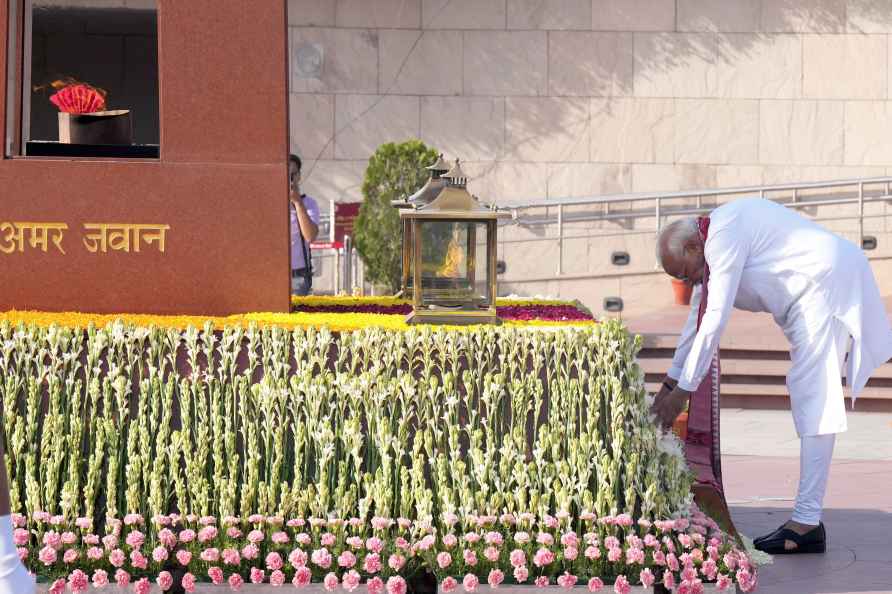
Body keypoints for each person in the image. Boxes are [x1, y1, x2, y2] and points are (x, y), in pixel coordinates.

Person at [650, 197, 892, 556]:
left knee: (816, 396)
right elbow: (696, 323)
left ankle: (806, 523)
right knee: (809, 393)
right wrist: (668, 387)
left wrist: (682, 392)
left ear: (691, 247)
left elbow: (715, 319)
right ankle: (807, 519)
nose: (685, 284)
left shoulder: (722, 236)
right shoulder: (709, 246)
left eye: (683, 273)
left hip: (824, 283)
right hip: (806, 295)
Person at [288, 154, 320, 296]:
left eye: (292, 175)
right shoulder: (269, 202)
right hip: (271, 271)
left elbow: (310, 236)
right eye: (285, 174)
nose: (289, 179)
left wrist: (297, 202)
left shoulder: (309, 204)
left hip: (298, 274)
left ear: (299, 176)